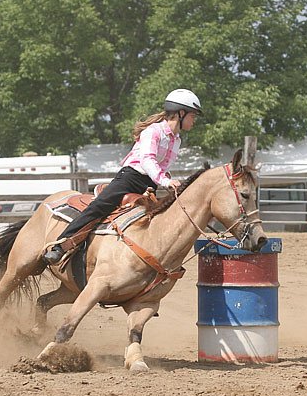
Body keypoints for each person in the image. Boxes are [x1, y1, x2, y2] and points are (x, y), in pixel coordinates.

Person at [43, 88, 202, 264]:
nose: (194, 120)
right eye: (192, 115)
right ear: (181, 113)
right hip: (130, 179)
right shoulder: (153, 131)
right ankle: (60, 246)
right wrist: (165, 180)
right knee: (98, 207)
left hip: (150, 185)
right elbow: (148, 159)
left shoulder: (176, 140)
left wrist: (168, 181)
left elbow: (161, 165)